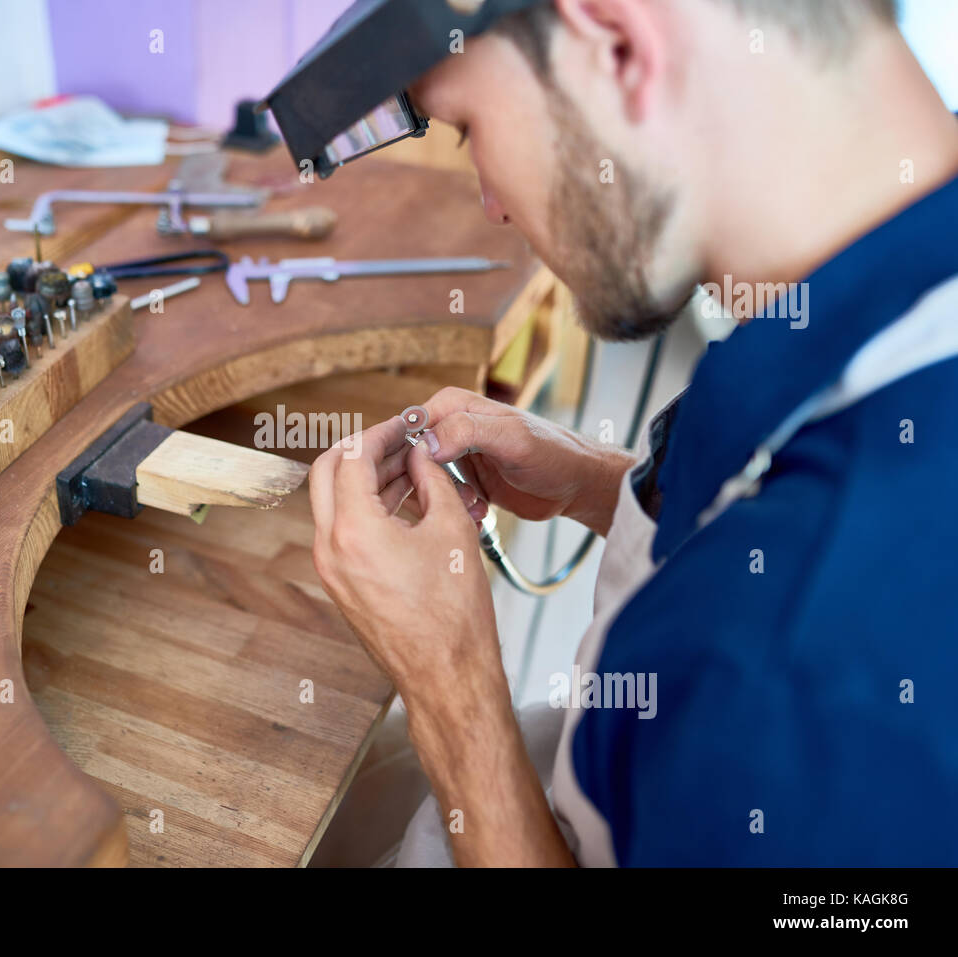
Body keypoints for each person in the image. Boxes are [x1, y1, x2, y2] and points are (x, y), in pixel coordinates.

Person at [306, 0, 958, 865]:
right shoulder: (876, 304)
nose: (491, 203)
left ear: (616, 41)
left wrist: (450, 685)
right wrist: (592, 483)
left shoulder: (798, 681)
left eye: (469, 129)